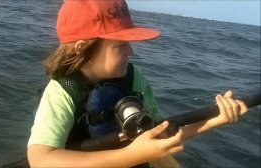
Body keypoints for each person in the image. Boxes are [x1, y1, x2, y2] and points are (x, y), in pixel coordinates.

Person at [27, 0, 248, 167]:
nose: (131, 51)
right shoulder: (62, 91)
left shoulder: (134, 78)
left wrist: (216, 119)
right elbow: (40, 159)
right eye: (120, 46)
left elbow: (162, 133)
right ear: (82, 48)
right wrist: (134, 155)